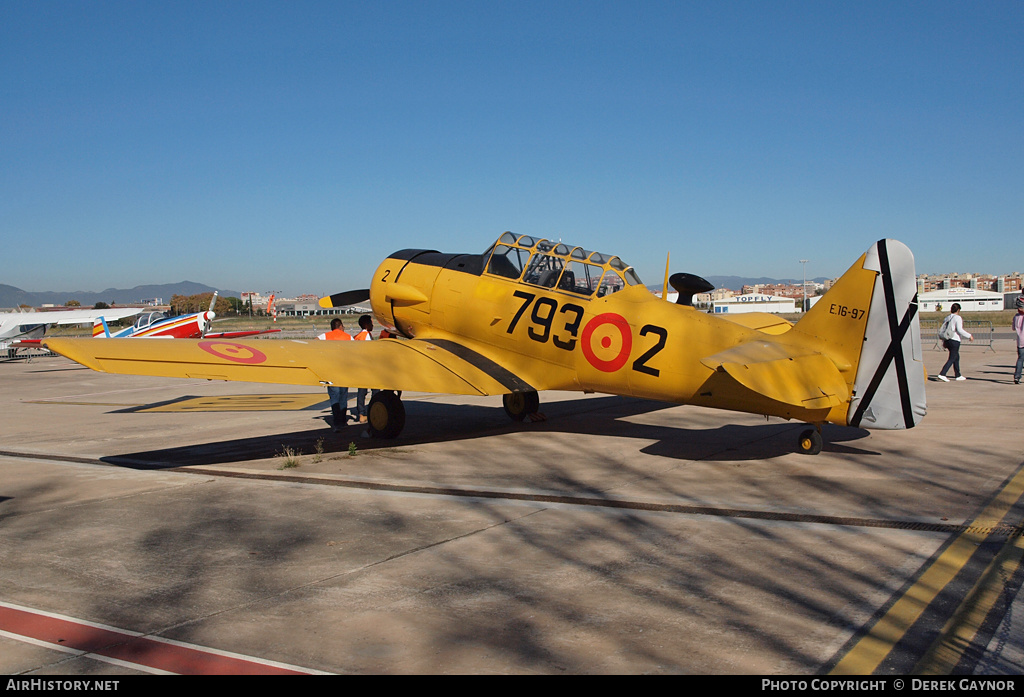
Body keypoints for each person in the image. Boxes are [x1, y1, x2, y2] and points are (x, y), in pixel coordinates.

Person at [317, 318, 351, 431]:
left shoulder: (325, 336)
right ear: (340, 326)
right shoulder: (348, 337)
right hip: (344, 371)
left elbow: (314, 342)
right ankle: (343, 421)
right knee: (343, 396)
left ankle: (336, 423)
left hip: (331, 371)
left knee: (334, 397)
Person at [352, 315, 379, 423]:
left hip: (360, 367)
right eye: (371, 323)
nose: (373, 325)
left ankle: (361, 413)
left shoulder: (357, 336)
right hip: (369, 367)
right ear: (366, 325)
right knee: (376, 391)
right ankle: (372, 411)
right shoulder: (367, 336)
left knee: (361, 392)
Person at [937, 303, 973, 382]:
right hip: (954, 339)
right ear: (958, 310)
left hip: (947, 339)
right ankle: (942, 374)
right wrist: (969, 335)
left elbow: (944, 329)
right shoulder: (957, 318)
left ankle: (958, 375)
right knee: (952, 358)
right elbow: (959, 330)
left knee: (956, 357)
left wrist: (943, 341)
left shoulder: (947, 317)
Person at [1013, 296, 1024, 385]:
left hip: (1020, 341)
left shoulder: (1016, 317)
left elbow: (1014, 328)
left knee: (1020, 359)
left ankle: (1017, 376)